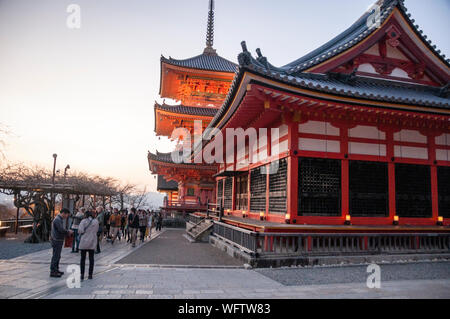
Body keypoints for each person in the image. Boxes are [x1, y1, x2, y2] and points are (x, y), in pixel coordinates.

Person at [49, 209, 73, 278]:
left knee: (57, 255)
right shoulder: (57, 220)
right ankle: (53, 271)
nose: (66, 217)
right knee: (56, 256)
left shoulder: (59, 219)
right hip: (56, 240)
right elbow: (61, 230)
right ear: (64, 213)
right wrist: (68, 231)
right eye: (66, 215)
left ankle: (56, 269)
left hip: (57, 239)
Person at [78, 210, 99, 281]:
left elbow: (80, 230)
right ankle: (90, 274)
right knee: (91, 258)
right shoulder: (96, 222)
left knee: (82, 259)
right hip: (92, 240)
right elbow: (96, 230)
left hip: (84, 241)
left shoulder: (83, 221)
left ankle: (82, 274)